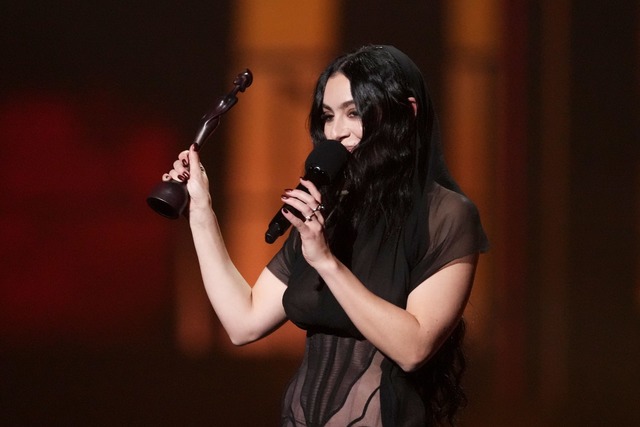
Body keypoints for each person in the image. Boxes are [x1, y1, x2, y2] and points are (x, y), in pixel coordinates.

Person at [164, 45, 489, 426]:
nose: (336, 132)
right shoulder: (329, 212)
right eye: (328, 116)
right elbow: (243, 322)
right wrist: (201, 210)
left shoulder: (447, 214)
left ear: (407, 113)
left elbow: (413, 348)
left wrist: (325, 262)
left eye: (354, 113)